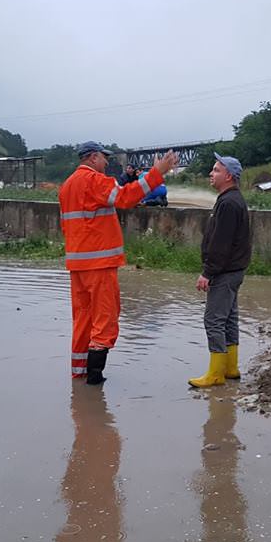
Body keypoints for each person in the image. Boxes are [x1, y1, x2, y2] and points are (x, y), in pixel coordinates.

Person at [60, 141, 179, 384]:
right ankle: (95, 381)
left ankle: (79, 375)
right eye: (104, 158)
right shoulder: (95, 181)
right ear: (93, 158)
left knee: (82, 319)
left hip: (77, 266)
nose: (106, 162)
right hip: (99, 264)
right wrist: (158, 173)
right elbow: (126, 198)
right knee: (105, 319)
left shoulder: (67, 186)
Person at [188, 153, 251, 388]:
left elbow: (221, 243)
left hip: (224, 271)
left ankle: (215, 374)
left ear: (228, 175)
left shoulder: (228, 203)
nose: (210, 174)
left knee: (213, 320)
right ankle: (230, 368)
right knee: (229, 318)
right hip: (234, 270)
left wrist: (207, 272)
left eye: (215, 170)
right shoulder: (233, 199)